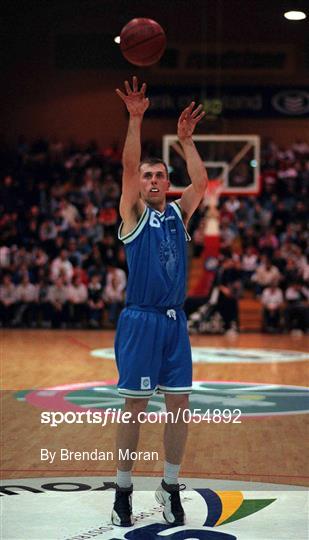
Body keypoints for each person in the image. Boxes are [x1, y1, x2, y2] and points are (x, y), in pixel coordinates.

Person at [111, 76, 207, 527]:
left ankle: (170, 485)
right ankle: (123, 489)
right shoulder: (133, 215)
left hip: (175, 324)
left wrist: (186, 142)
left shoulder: (177, 213)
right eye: (148, 175)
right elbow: (129, 169)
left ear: (168, 182)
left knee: (180, 406)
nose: (152, 179)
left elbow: (202, 182)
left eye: (159, 175)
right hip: (140, 321)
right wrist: (136, 118)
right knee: (134, 406)